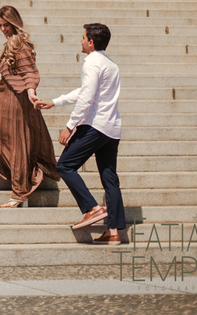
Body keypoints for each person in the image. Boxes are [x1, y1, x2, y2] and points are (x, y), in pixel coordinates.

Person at [36, 22, 125, 245]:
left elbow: (86, 98)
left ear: (91, 42)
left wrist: (70, 126)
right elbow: (86, 91)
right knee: (110, 179)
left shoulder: (92, 62)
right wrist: (55, 102)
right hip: (111, 129)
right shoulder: (110, 64)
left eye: (83, 37)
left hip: (95, 125)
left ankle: (92, 208)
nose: (81, 40)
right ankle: (113, 232)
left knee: (65, 165)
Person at [0, 6, 60, 208]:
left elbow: (29, 71)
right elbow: (14, 74)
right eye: (0, 25)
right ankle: (18, 179)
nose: (3, 29)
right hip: (10, 97)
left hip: (20, 101)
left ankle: (19, 192)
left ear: (14, 23)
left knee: (18, 144)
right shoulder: (11, 44)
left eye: (6, 25)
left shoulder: (20, 44)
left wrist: (31, 91)